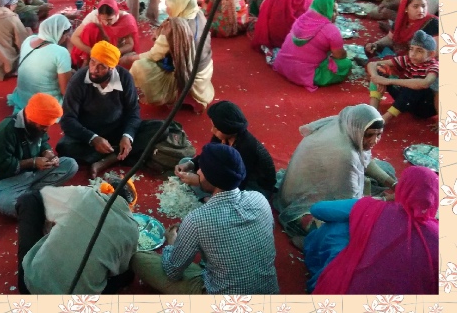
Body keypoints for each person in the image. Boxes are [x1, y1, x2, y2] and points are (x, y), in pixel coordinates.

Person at [133, 143, 279, 294]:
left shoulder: (198, 219)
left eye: (202, 169)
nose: (199, 172)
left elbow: (172, 272)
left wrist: (172, 243)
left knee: (138, 258)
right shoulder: (260, 199)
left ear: (211, 178)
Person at [308, 163, 438, 295]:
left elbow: (318, 209)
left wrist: (379, 201)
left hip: (348, 294)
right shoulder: (440, 237)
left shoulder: (374, 209)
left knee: (338, 228)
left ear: (403, 187)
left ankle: (322, 271)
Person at [275, 103, 394, 239]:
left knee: (387, 170)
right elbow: (351, 204)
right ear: (359, 129)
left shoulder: (345, 123)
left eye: (379, 134)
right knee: (351, 229)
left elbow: (365, 161)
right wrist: (386, 199)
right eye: (369, 135)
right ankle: (307, 230)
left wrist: (394, 184)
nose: (375, 141)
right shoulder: (346, 155)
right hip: (302, 198)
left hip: (327, 174)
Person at [18, 176, 140, 295]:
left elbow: (46, 202)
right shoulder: (131, 229)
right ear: (130, 206)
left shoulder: (84, 193)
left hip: (28, 286)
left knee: (29, 199)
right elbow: (119, 269)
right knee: (128, 275)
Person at [0, 93, 78, 217]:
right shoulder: (6, 130)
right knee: (10, 205)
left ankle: (30, 197)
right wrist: (32, 162)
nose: (46, 130)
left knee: (71, 165)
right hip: (6, 181)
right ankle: (34, 197)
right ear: (30, 119)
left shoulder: (37, 126)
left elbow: (43, 142)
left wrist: (48, 154)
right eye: (44, 126)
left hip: (33, 174)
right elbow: (0, 165)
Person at [56, 40, 142, 174]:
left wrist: (127, 136)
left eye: (102, 66)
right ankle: (120, 154)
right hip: (88, 134)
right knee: (64, 146)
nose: (94, 70)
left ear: (112, 68)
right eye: (92, 62)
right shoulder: (78, 80)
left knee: (160, 129)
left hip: (117, 130)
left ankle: (107, 159)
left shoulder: (125, 78)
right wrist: (93, 138)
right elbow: (67, 119)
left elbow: (133, 111)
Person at [129, 0, 213, 110]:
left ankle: (162, 96)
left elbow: (154, 55)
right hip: (205, 67)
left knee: (139, 66)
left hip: (189, 75)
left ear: (178, 6)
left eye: (169, 6)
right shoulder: (198, 14)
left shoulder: (175, 29)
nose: (167, 10)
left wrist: (132, 58)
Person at [178, 100, 277, 199]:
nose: (212, 130)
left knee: (201, 187)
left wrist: (200, 181)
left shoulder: (247, 147)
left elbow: (237, 182)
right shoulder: (222, 136)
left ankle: (210, 200)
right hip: (229, 174)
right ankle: (207, 195)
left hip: (253, 185)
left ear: (229, 128)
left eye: (216, 128)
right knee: (185, 161)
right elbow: (208, 156)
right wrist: (191, 164)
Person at [274, 0, 350, 91]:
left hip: (283, 65)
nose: (337, 14)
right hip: (304, 74)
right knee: (345, 64)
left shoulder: (300, 20)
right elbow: (339, 56)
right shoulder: (331, 30)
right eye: (334, 10)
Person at [367, 28, 438, 121]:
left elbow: (425, 83)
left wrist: (388, 81)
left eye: (419, 51)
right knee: (381, 69)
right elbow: (373, 64)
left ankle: (384, 120)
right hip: (406, 99)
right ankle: (372, 112)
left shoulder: (434, 66)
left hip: (423, 107)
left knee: (414, 86)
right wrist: (376, 77)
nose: (413, 54)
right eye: (411, 49)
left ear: (431, 54)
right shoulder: (408, 59)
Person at [9, 13, 74, 111]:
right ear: (60, 33)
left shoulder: (28, 40)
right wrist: (70, 50)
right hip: (46, 103)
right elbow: (65, 91)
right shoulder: (61, 52)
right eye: (65, 35)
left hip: (23, 98)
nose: (66, 38)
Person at [68, 0, 139, 68]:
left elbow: (130, 44)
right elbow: (74, 38)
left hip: (115, 49)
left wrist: (112, 52)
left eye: (109, 20)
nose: (106, 23)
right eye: (103, 20)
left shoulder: (126, 20)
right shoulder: (94, 16)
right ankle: (86, 61)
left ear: (116, 14)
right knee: (90, 28)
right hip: (95, 48)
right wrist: (93, 52)